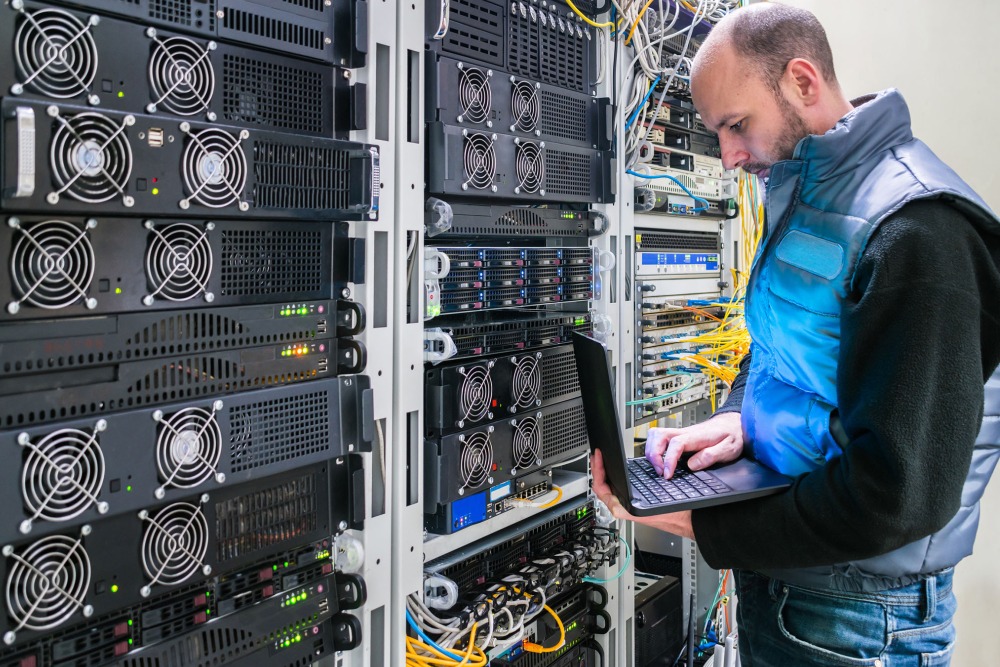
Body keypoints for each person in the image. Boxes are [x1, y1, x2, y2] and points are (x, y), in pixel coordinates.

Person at [591, 3, 1000, 665]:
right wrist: (737, 422)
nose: (727, 156)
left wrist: (699, 521)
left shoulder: (918, 232)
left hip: (861, 616)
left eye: (736, 125)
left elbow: (894, 497)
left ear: (803, 83)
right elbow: (787, 341)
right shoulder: (817, 195)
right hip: (805, 594)